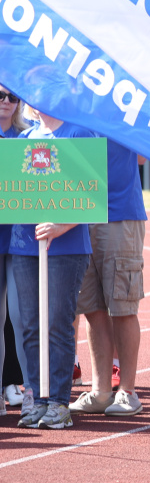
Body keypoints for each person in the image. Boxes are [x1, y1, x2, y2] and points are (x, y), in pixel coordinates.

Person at [10, 107, 91, 430]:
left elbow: (92, 192)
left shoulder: (78, 133)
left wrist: (62, 225)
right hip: (25, 245)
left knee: (57, 324)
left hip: (66, 248)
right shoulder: (25, 139)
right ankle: (35, 397)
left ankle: (58, 401)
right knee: (30, 325)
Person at [69, 123, 149, 418]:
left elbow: (142, 156)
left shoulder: (121, 100)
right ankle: (102, 390)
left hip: (118, 214)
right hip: (80, 212)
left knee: (123, 306)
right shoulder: (73, 100)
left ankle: (127, 391)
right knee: (92, 308)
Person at [0, 86, 28, 412]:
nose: (7, 102)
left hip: (22, 240)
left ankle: (31, 390)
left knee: (21, 318)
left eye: (13, 97)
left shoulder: (29, 138)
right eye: (0, 96)